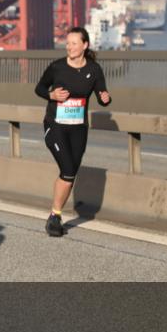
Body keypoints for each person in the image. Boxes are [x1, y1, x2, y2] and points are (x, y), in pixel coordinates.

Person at [34, 26, 111, 237]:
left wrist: (105, 98)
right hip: (55, 125)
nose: (69, 47)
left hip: (78, 128)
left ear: (85, 45)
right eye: (67, 43)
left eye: (74, 43)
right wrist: (51, 95)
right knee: (68, 170)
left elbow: (102, 93)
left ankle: (54, 213)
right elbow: (39, 88)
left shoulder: (94, 69)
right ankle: (55, 217)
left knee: (69, 174)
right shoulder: (57, 67)